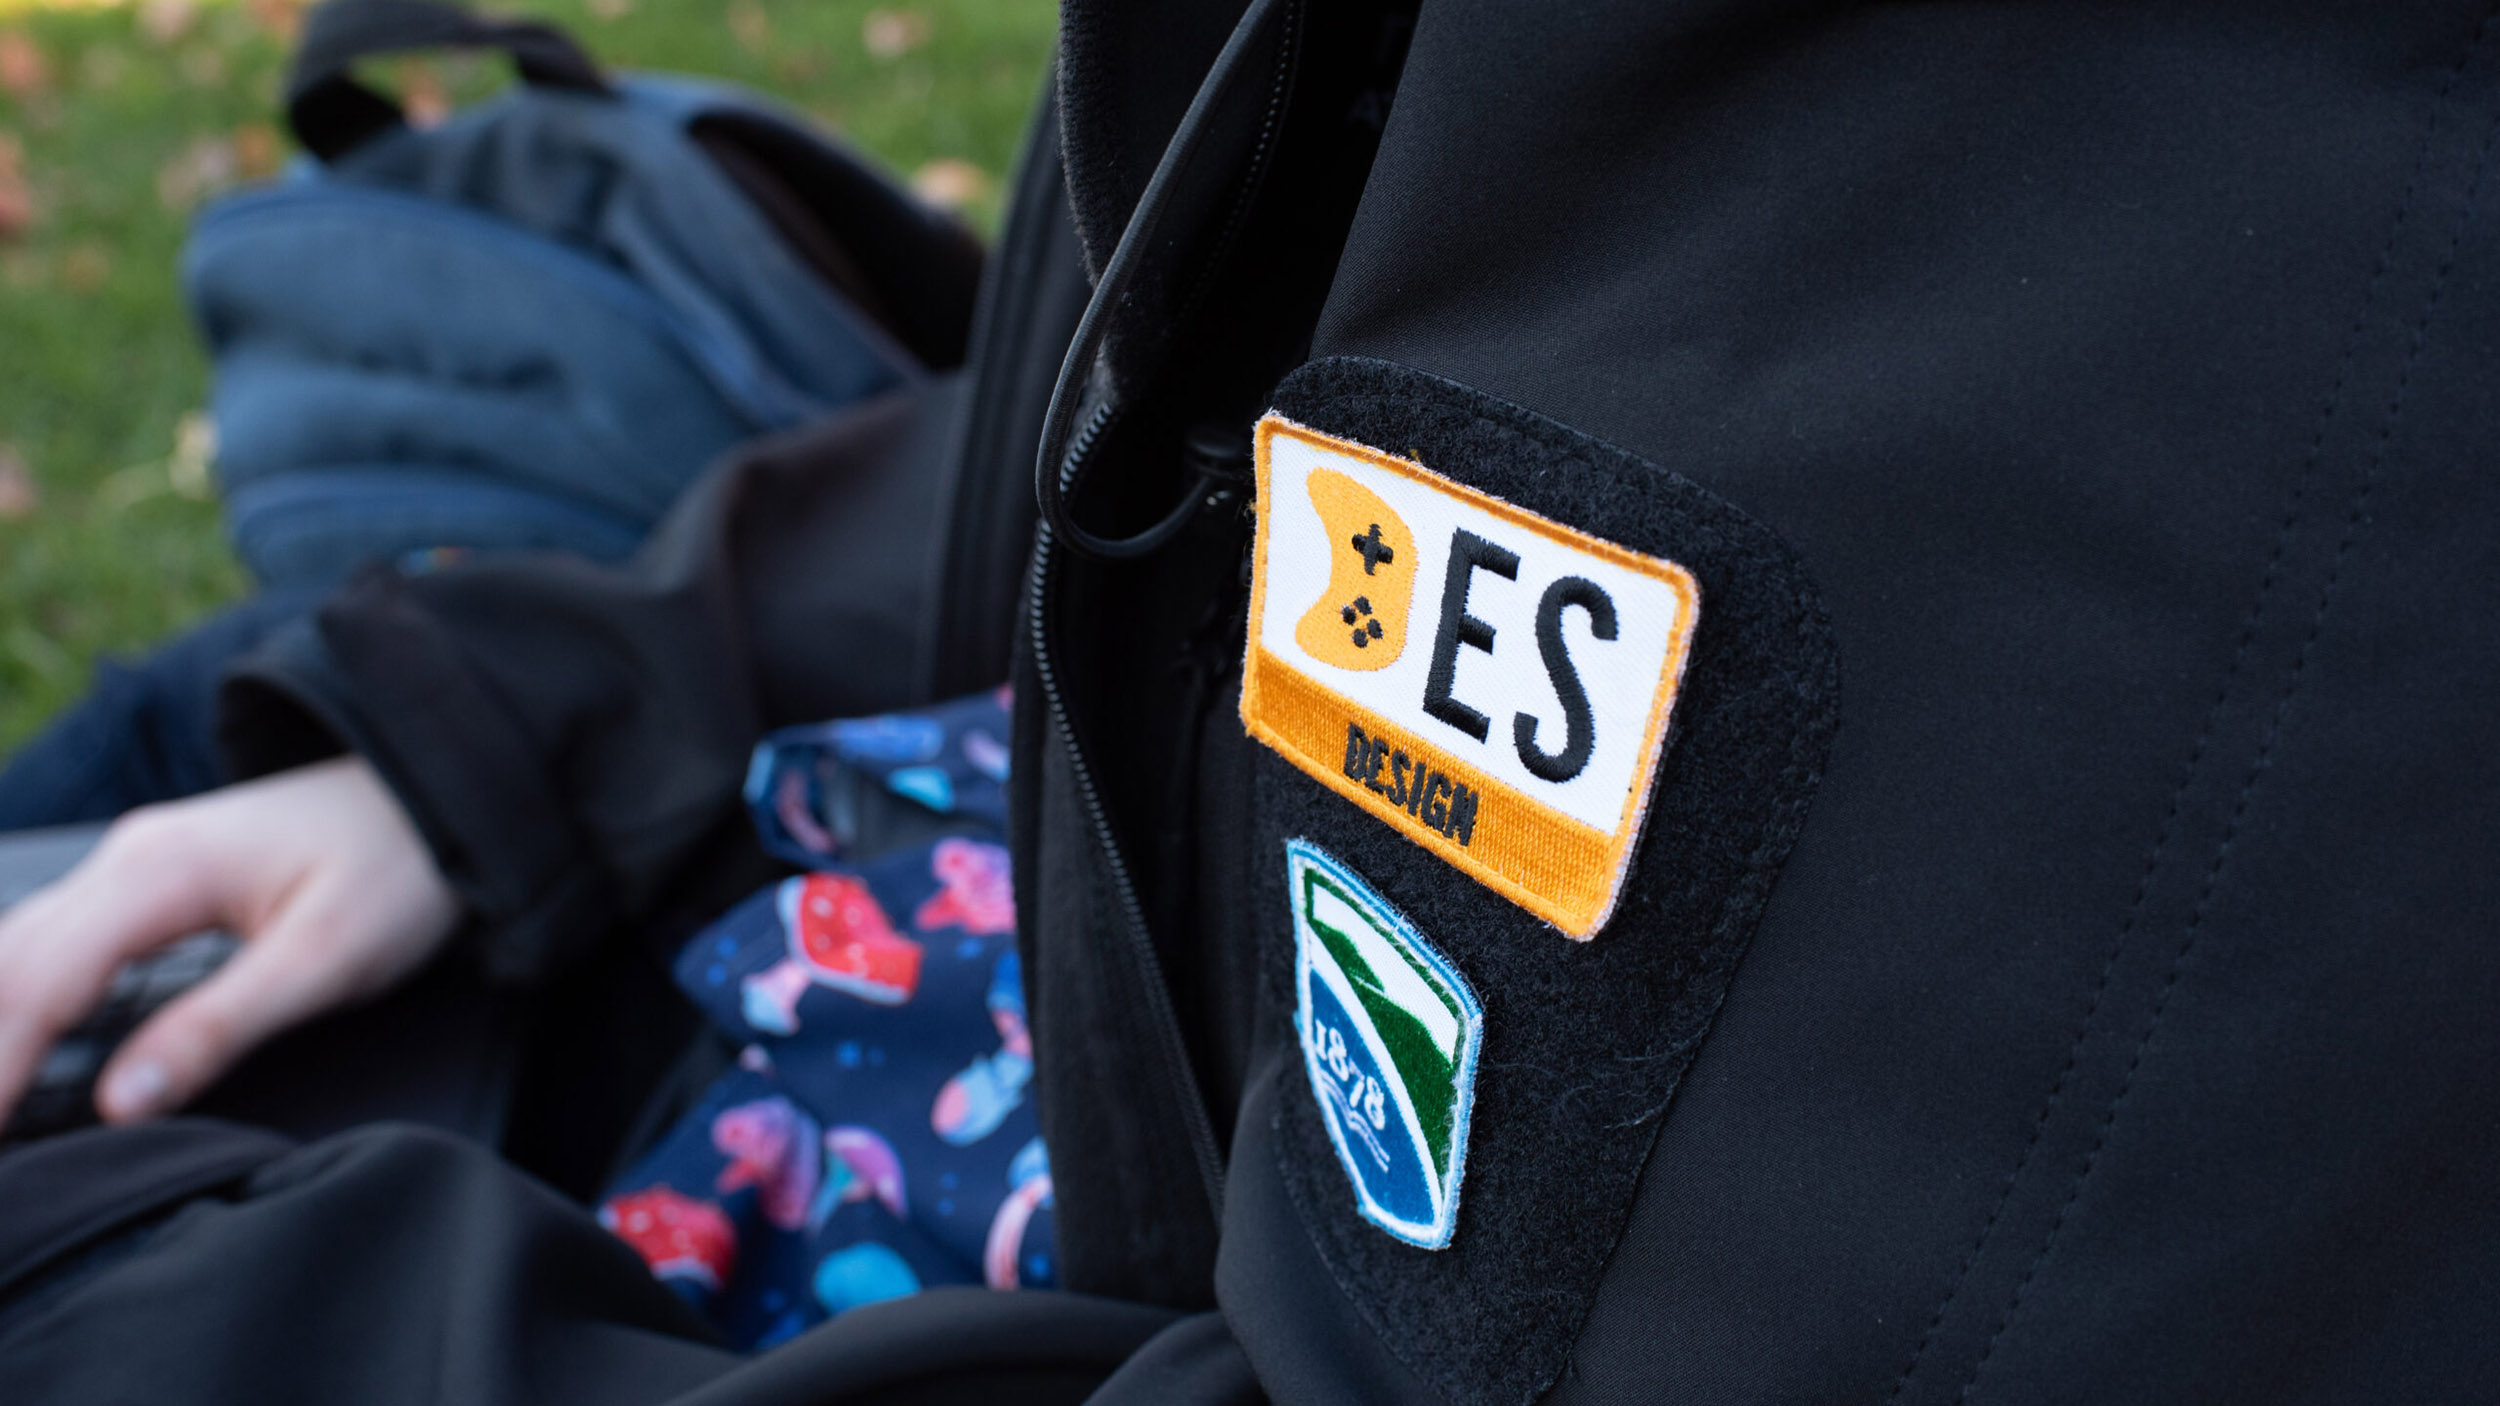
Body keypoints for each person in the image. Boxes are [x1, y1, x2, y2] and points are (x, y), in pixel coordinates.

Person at [2, 0, 2498, 1400]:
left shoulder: (2221, 312)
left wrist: (84, 1289)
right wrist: (518, 721)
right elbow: (1192, 435)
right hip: (983, 947)